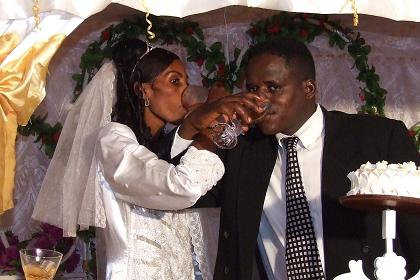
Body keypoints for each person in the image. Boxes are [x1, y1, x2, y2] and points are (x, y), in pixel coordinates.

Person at [31, 38, 261, 280]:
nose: (185, 91)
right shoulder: (112, 140)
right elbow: (182, 185)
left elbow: (176, 157)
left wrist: (203, 121)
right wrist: (210, 127)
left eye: (186, 82)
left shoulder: (165, 142)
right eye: (174, 81)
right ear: (144, 90)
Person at [193, 37, 420, 279]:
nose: (259, 101)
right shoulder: (241, 150)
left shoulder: (377, 138)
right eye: (252, 89)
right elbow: (180, 187)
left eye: (272, 88)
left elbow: (415, 228)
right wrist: (195, 123)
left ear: (308, 89)